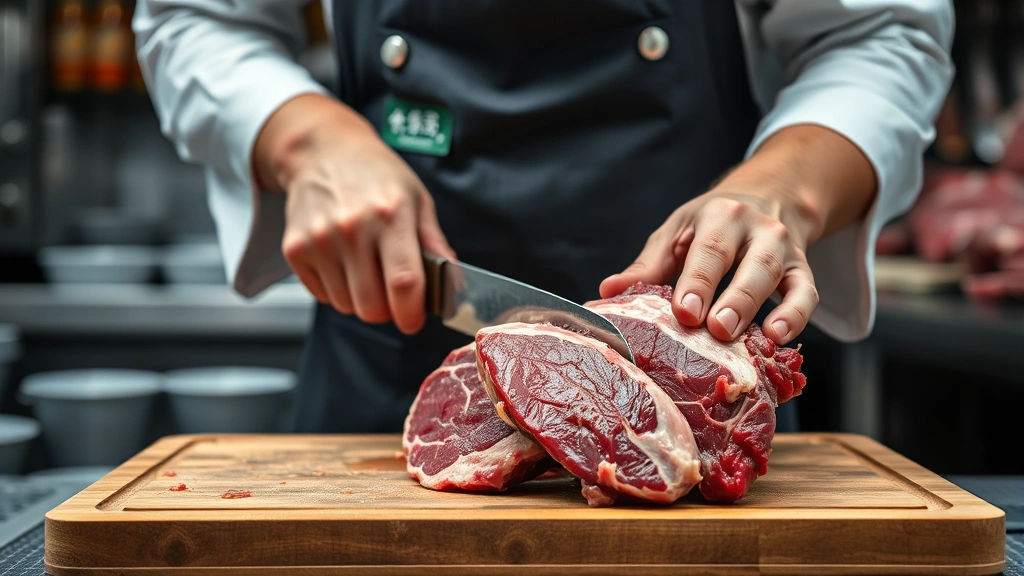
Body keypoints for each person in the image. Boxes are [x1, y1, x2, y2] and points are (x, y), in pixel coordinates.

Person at [134, 1, 953, 433]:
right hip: (395, 370)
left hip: (691, 387)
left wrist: (784, 188)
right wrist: (307, 138)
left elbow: (882, 30)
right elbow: (193, 16)